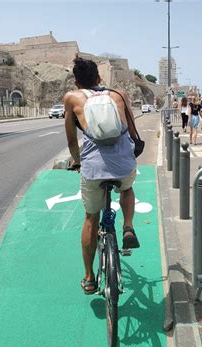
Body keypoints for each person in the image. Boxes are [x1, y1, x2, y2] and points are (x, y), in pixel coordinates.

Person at [64, 56, 140, 295]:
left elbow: (70, 140)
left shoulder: (71, 98)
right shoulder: (118, 95)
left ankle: (88, 278)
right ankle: (128, 226)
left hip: (94, 168)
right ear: (99, 78)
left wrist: (77, 161)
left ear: (76, 82)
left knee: (90, 219)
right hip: (123, 164)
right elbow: (129, 130)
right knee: (126, 189)